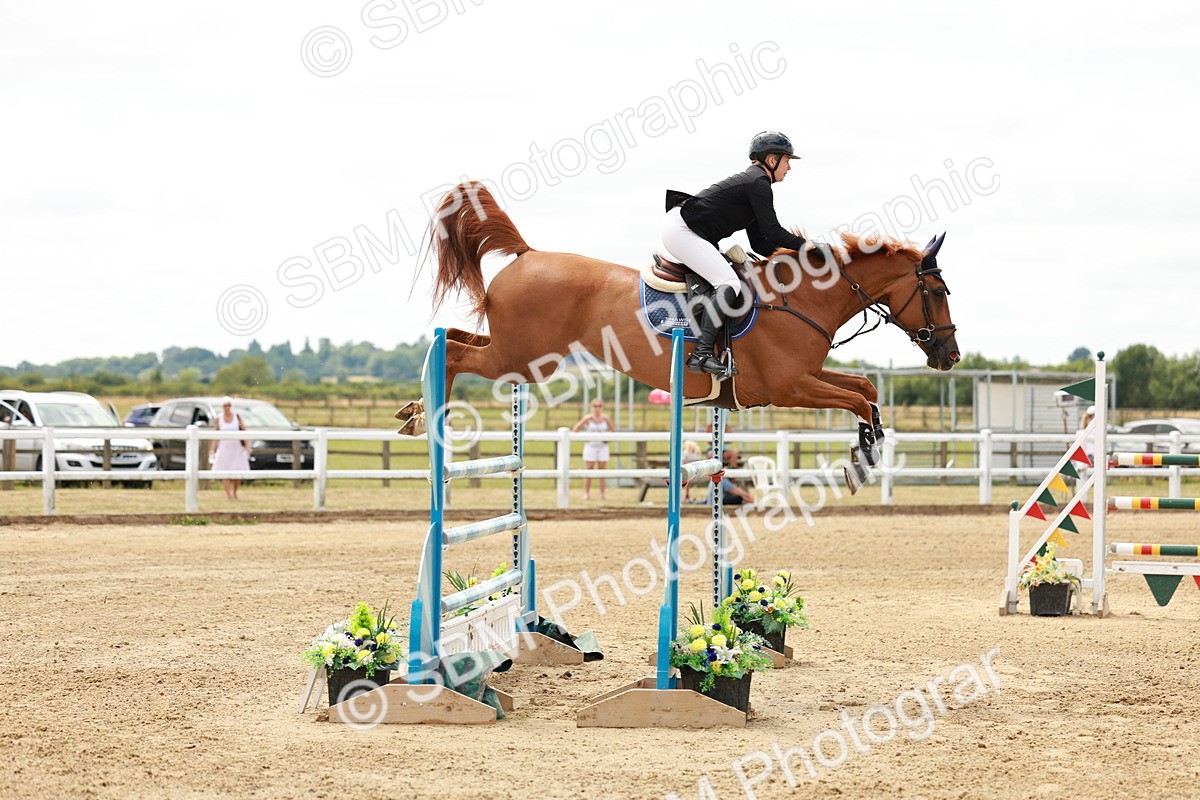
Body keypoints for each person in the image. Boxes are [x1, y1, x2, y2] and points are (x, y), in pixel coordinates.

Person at [661, 131, 812, 378]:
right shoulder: (758, 184)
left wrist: (798, 257)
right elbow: (774, 232)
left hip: (687, 229)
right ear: (772, 160)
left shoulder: (755, 184)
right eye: (787, 161)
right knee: (729, 281)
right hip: (682, 230)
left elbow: (761, 243)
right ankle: (702, 353)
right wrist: (809, 247)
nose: (789, 168)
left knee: (730, 278)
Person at [208, 396, 251, 500]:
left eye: (229, 405)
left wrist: (247, 446)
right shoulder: (219, 418)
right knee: (224, 471)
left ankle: (235, 492)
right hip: (224, 448)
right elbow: (216, 435)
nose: (227, 407)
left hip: (236, 447)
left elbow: (243, 431)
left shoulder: (237, 417)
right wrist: (212, 449)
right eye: (225, 405)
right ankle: (229, 494)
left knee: (237, 471)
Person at [572, 399, 615, 501]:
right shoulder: (588, 418)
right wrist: (586, 437)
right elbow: (576, 429)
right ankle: (586, 493)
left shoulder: (605, 418)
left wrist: (607, 440)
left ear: (602, 407)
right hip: (591, 446)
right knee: (589, 470)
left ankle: (603, 494)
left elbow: (613, 430)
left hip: (602, 447)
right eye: (595, 406)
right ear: (592, 407)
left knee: (602, 471)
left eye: (599, 406)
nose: (597, 408)